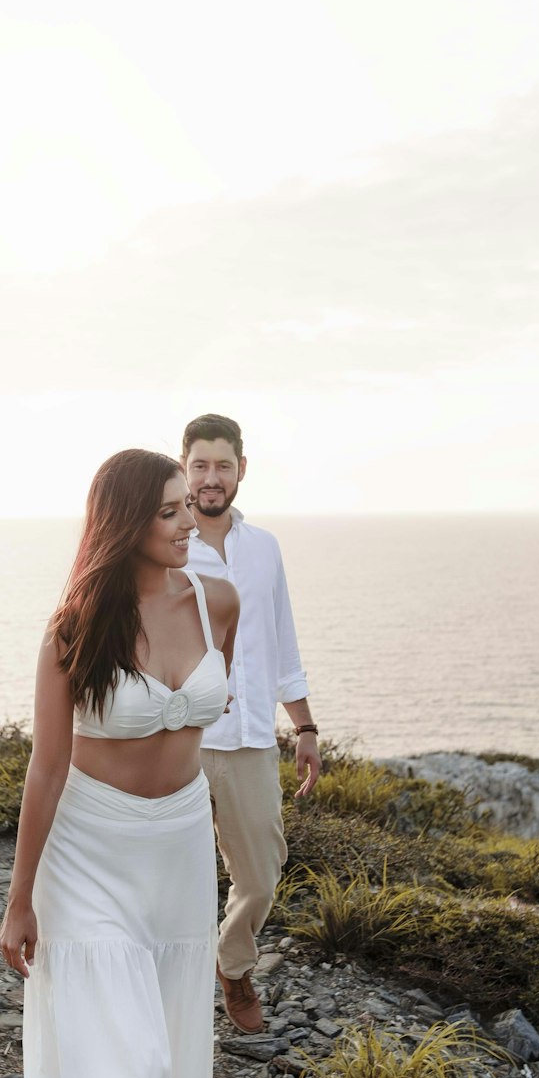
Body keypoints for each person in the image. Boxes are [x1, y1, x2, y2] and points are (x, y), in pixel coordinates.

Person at [0, 448, 240, 1078]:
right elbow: (45, 769)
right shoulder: (74, 630)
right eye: (171, 511)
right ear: (127, 522)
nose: (190, 522)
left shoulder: (218, 603)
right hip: (88, 855)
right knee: (117, 1065)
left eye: (192, 507)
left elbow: (210, 724)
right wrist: (20, 898)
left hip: (177, 851)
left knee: (172, 1055)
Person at [182, 413, 320, 1034]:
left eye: (223, 465)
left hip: (248, 742)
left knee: (261, 874)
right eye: (200, 465)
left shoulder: (264, 548)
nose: (212, 478)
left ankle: (232, 968)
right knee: (168, 876)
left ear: (242, 470)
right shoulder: (162, 541)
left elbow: (281, 641)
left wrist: (306, 729)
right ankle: (165, 994)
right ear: (184, 468)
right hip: (175, 738)